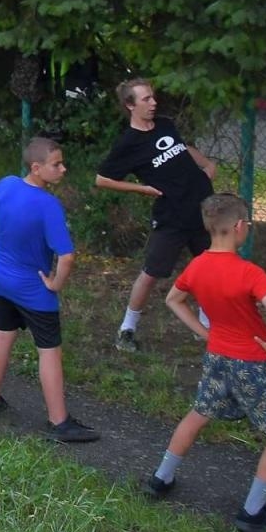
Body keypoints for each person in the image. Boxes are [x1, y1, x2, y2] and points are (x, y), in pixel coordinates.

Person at [140, 194, 266, 532]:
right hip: (255, 364)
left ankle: (160, 479)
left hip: (217, 356)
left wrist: (203, 330)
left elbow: (174, 299)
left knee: (199, 413)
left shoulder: (198, 265)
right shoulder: (250, 273)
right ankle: (252, 513)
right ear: (240, 227)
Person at [0, 137, 99, 443]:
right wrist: (55, 284)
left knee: (3, 334)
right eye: (57, 164)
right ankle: (59, 421)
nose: (63, 169)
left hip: (0, 280)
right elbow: (66, 256)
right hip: (33, 289)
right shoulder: (48, 205)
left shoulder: (6, 184)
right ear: (37, 168)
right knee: (49, 350)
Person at [96, 78, 219, 353]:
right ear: (130, 105)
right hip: (171, 217)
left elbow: (182, 147)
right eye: (146, 100)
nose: (153, 103)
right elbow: (102, 179)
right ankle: (127, 330)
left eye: (153, 97)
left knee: (208, 266)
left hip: (201, 209)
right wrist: (143, 189)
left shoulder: (164, 124)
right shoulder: (128, 143)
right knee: (151, 273)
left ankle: (206, 325)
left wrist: (207, 164)